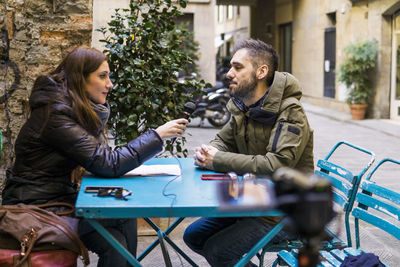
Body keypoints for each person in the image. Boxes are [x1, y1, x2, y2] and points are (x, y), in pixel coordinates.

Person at [1, 46, 188, 267]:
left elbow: (101, 158)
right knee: (119, 229)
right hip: (37, 207)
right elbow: (108, 163)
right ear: (80, 79)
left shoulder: (72, 108)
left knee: (118, 237)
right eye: (102, 76)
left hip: (60, 198)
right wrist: (157, 135)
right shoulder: (56, 115)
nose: (110, 84)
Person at [183, 39, 314, 266]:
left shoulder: (291, 111)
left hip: (285, 212)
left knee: (218, 251)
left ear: (261, 71)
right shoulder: (245, 106)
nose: (229, 73)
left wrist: (218, 160)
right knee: (193, 235)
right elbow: (223, 140)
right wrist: (209, 152)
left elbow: (278, 164)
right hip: (253, 202)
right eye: (231, 66)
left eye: (238, 67)